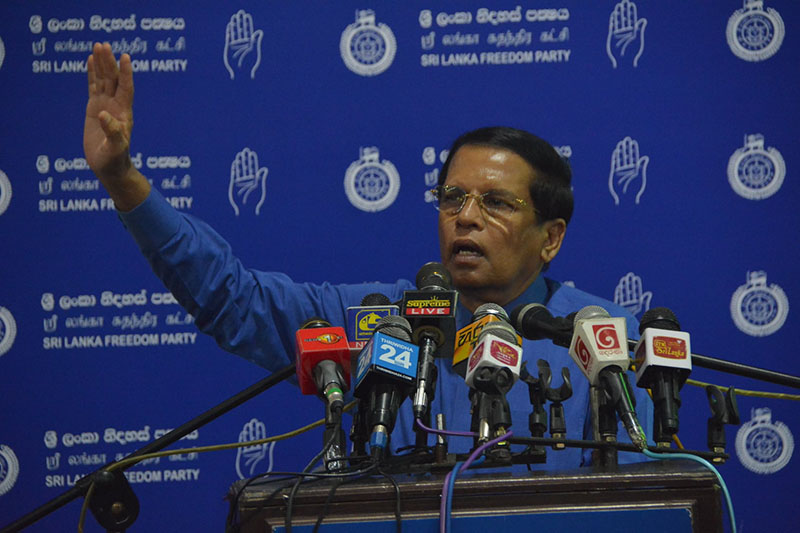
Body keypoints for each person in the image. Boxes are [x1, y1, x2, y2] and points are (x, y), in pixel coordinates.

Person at [84, 43, 651, 468]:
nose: (466, 217)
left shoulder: (602, 340)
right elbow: (234, 300)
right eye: (452, 197)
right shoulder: (380, 321)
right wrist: (122, 179)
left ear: (551, 237)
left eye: (496, 202)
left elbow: (638, 497)